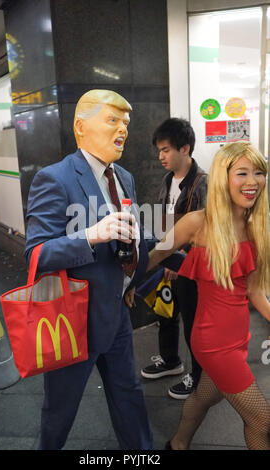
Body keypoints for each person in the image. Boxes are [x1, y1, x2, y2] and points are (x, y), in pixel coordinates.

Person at [25, 89, 153, 450]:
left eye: (126, 122)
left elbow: (128, 236)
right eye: (112, 120)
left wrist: (134, 268)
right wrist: (90, 236)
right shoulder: (54, 178)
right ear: (81, 127)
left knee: (130, 399)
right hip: (71, 323)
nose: (123, 130)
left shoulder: (124, 176)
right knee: (59, 413)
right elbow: (36, 253)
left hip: (117, 316)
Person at [148, 141, 270, 450]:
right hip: (213, 342)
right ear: (222, 177)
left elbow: (254, 290)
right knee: (262, 421)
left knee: (204, 397)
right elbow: (152, 257)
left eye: (259, 172)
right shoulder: (197, 223)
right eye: (242, 173)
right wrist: (130, 285)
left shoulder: (255, 224)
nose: (253, 181)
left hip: (239, 337)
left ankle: (177, 444)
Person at [140, 118, 207, 400]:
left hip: (190, 266)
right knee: (165, 312)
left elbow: (201, 232)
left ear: (185, 148)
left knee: (193, 323)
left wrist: (178, 261)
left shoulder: (202, 183)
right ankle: (170, 361)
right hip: (167, 257)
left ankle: (199, 378)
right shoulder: (168, 180)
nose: (161, 156)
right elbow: (163, 220)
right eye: (159, 150)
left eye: (166, 150)